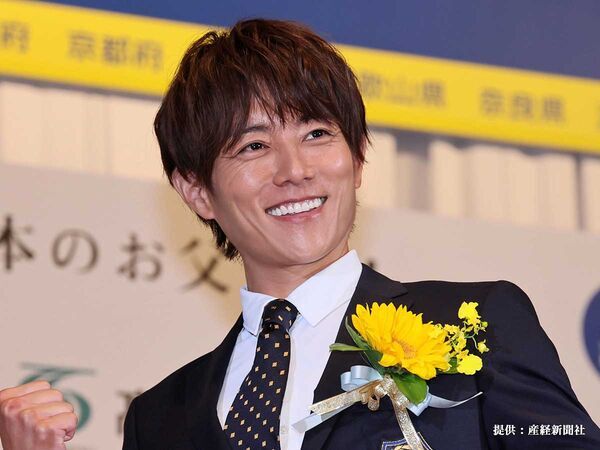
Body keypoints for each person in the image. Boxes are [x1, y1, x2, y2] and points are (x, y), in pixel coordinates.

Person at [1, 18, 599, 450]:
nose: (295, 170)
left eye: (316, 134)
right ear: (196, 191)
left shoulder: (476, 322)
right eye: (254, 146)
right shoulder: (159, 418)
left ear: (357, 157)